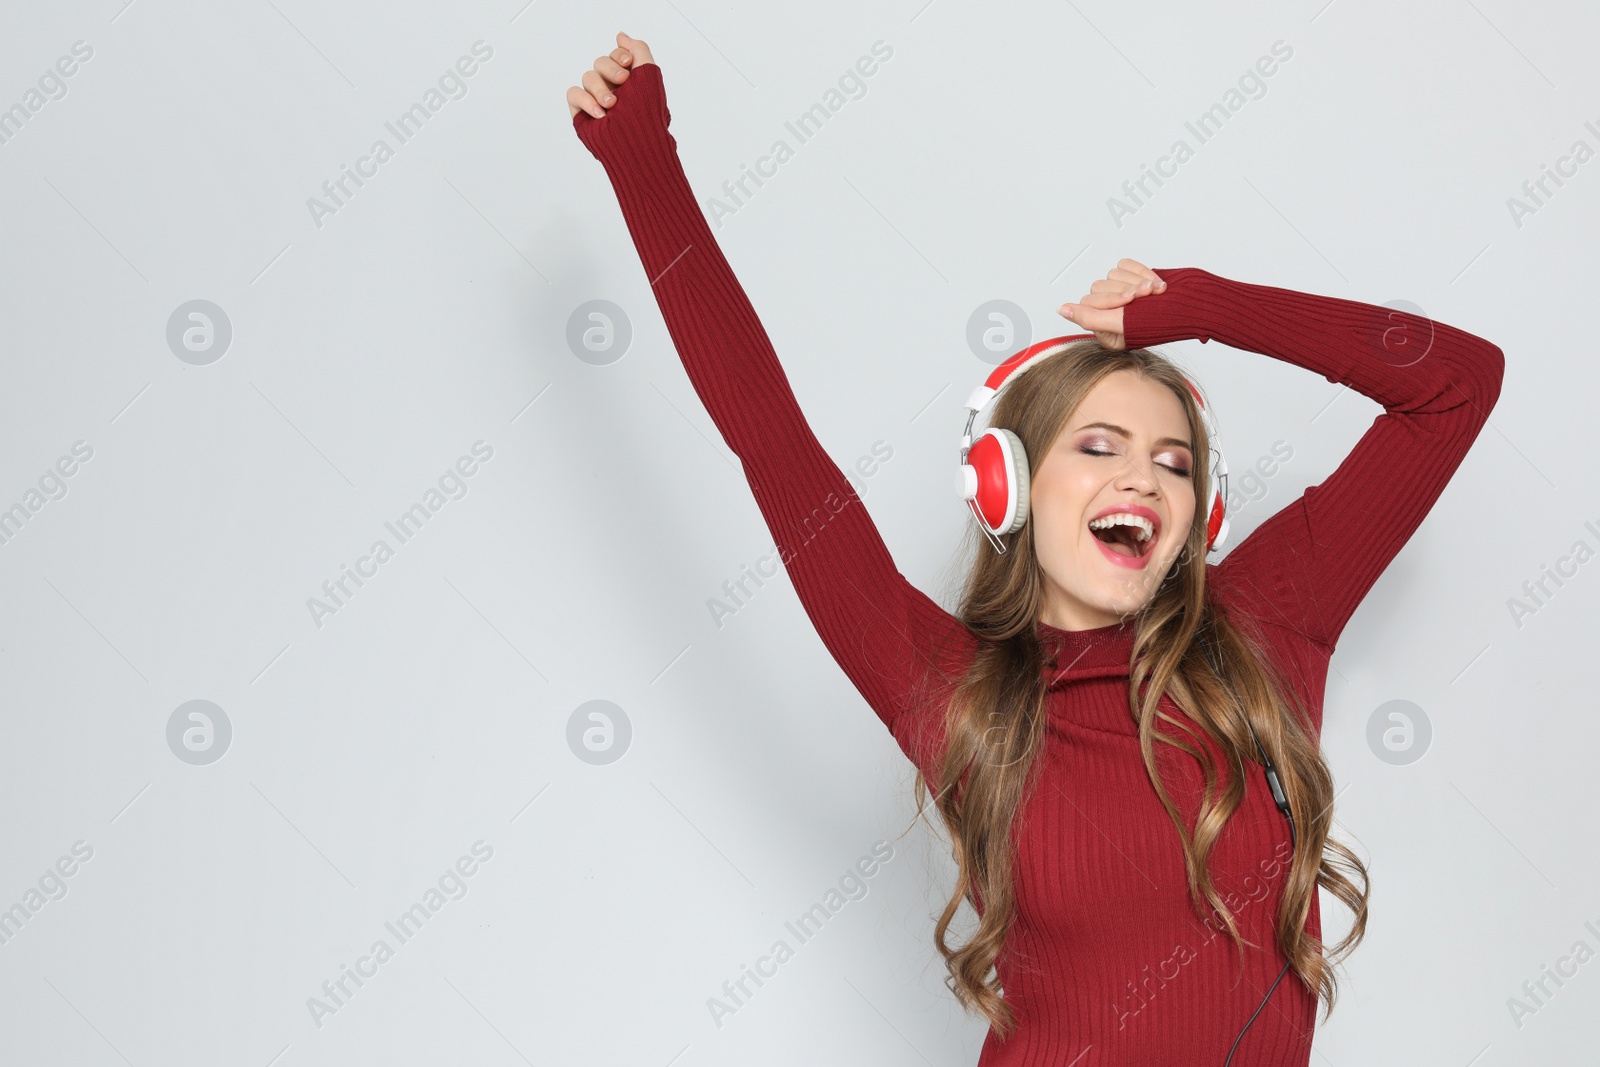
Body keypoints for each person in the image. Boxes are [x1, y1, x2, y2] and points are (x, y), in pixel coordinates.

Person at [568, 33, 1504, 1066]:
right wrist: (644, 162)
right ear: (1005, 483)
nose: (1143, 477)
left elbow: (1456, 383)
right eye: (1096, 446)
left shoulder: (1265, 629)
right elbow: (766, 431)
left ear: (1203, 512)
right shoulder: (948, 688)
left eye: (1173, 461)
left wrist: (1202, 307)